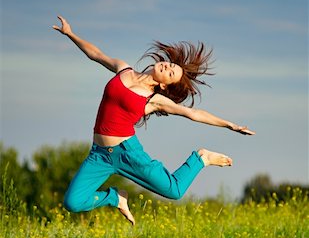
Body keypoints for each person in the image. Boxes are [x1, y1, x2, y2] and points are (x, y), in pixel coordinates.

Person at [53, 15, 255, 225]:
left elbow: (194, 114)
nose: (167, 68)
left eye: (170, 74)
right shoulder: (124, 69)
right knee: (73, 202)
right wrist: (70, 34)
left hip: (128, 153)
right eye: (169, 66)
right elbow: (95, 54)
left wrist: (230, 125)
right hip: (100, 155)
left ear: (165, 86)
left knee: (174, 191)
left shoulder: (154, 100)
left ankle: (201, 158)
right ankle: (115, 198)